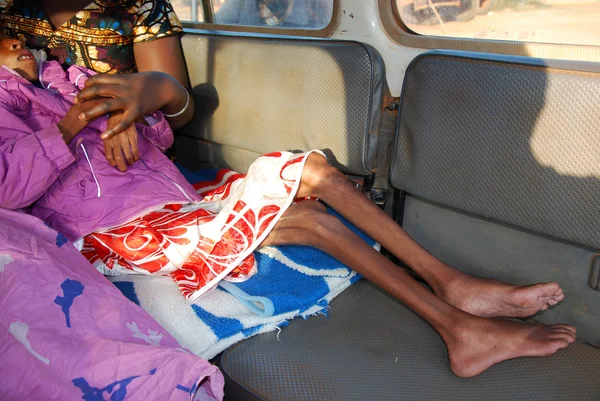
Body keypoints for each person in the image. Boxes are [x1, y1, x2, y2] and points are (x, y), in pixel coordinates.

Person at [0, 35, 576, 378]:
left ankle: (450, 283)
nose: (16, 43)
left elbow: (164, 137)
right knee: (307, 220)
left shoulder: (70, 79)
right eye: (3, 42)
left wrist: (127, 114)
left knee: (312, 169)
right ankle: (458, 327)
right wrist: (74, 126)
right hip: (116, 235)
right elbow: (8, 186)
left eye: (19, 36)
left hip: (179, 205)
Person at [0, 0, 194, 171]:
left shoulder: (141, 6)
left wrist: (126, 111)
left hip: (128, 168)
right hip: (39, 169)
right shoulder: (8, 7)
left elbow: (176, 111)